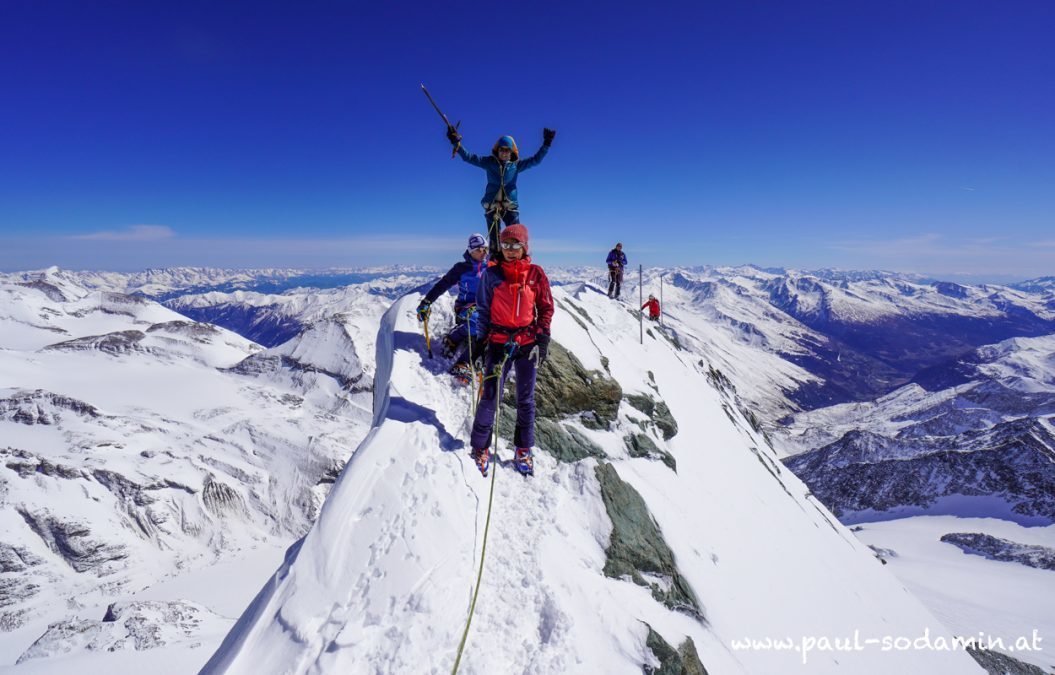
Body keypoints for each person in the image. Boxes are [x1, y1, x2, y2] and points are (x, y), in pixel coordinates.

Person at [469, 223, 553, 477]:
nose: (510, 250)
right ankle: (479, 447)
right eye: (506, 245)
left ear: (525, 246)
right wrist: (480, 343)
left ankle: (523, 449)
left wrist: (543, 338)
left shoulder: (536, 274)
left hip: (526, 343)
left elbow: (546, 308)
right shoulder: (492, 276)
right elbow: (483, 310)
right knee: (490, 396)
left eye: (516, 245)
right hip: (497, 341)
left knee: (525, 400)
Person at [446, 128, 556, 252]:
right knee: (495, 242)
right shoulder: (489, 162)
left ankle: (520, 260)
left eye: (507, 150)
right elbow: (468, 157)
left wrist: (547, 143)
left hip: (510, 207)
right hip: (492, 207)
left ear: (512, 152)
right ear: (497, 150)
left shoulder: (516, 166)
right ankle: (494, 264)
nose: (504, 153)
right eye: (501, 149)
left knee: (517, 237)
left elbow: (536, 160)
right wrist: (455, 142)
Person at [416, 234, 490, 384]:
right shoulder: (461, 269)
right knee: (479, 323)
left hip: (486, 308)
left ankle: (464, 344)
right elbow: (443, 285)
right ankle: (460, 354)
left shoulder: (490, 267)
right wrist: (426, 302)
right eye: (479, 249)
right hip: (466, 308)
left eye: (486, 249)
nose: (484, 252)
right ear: (471, 251)